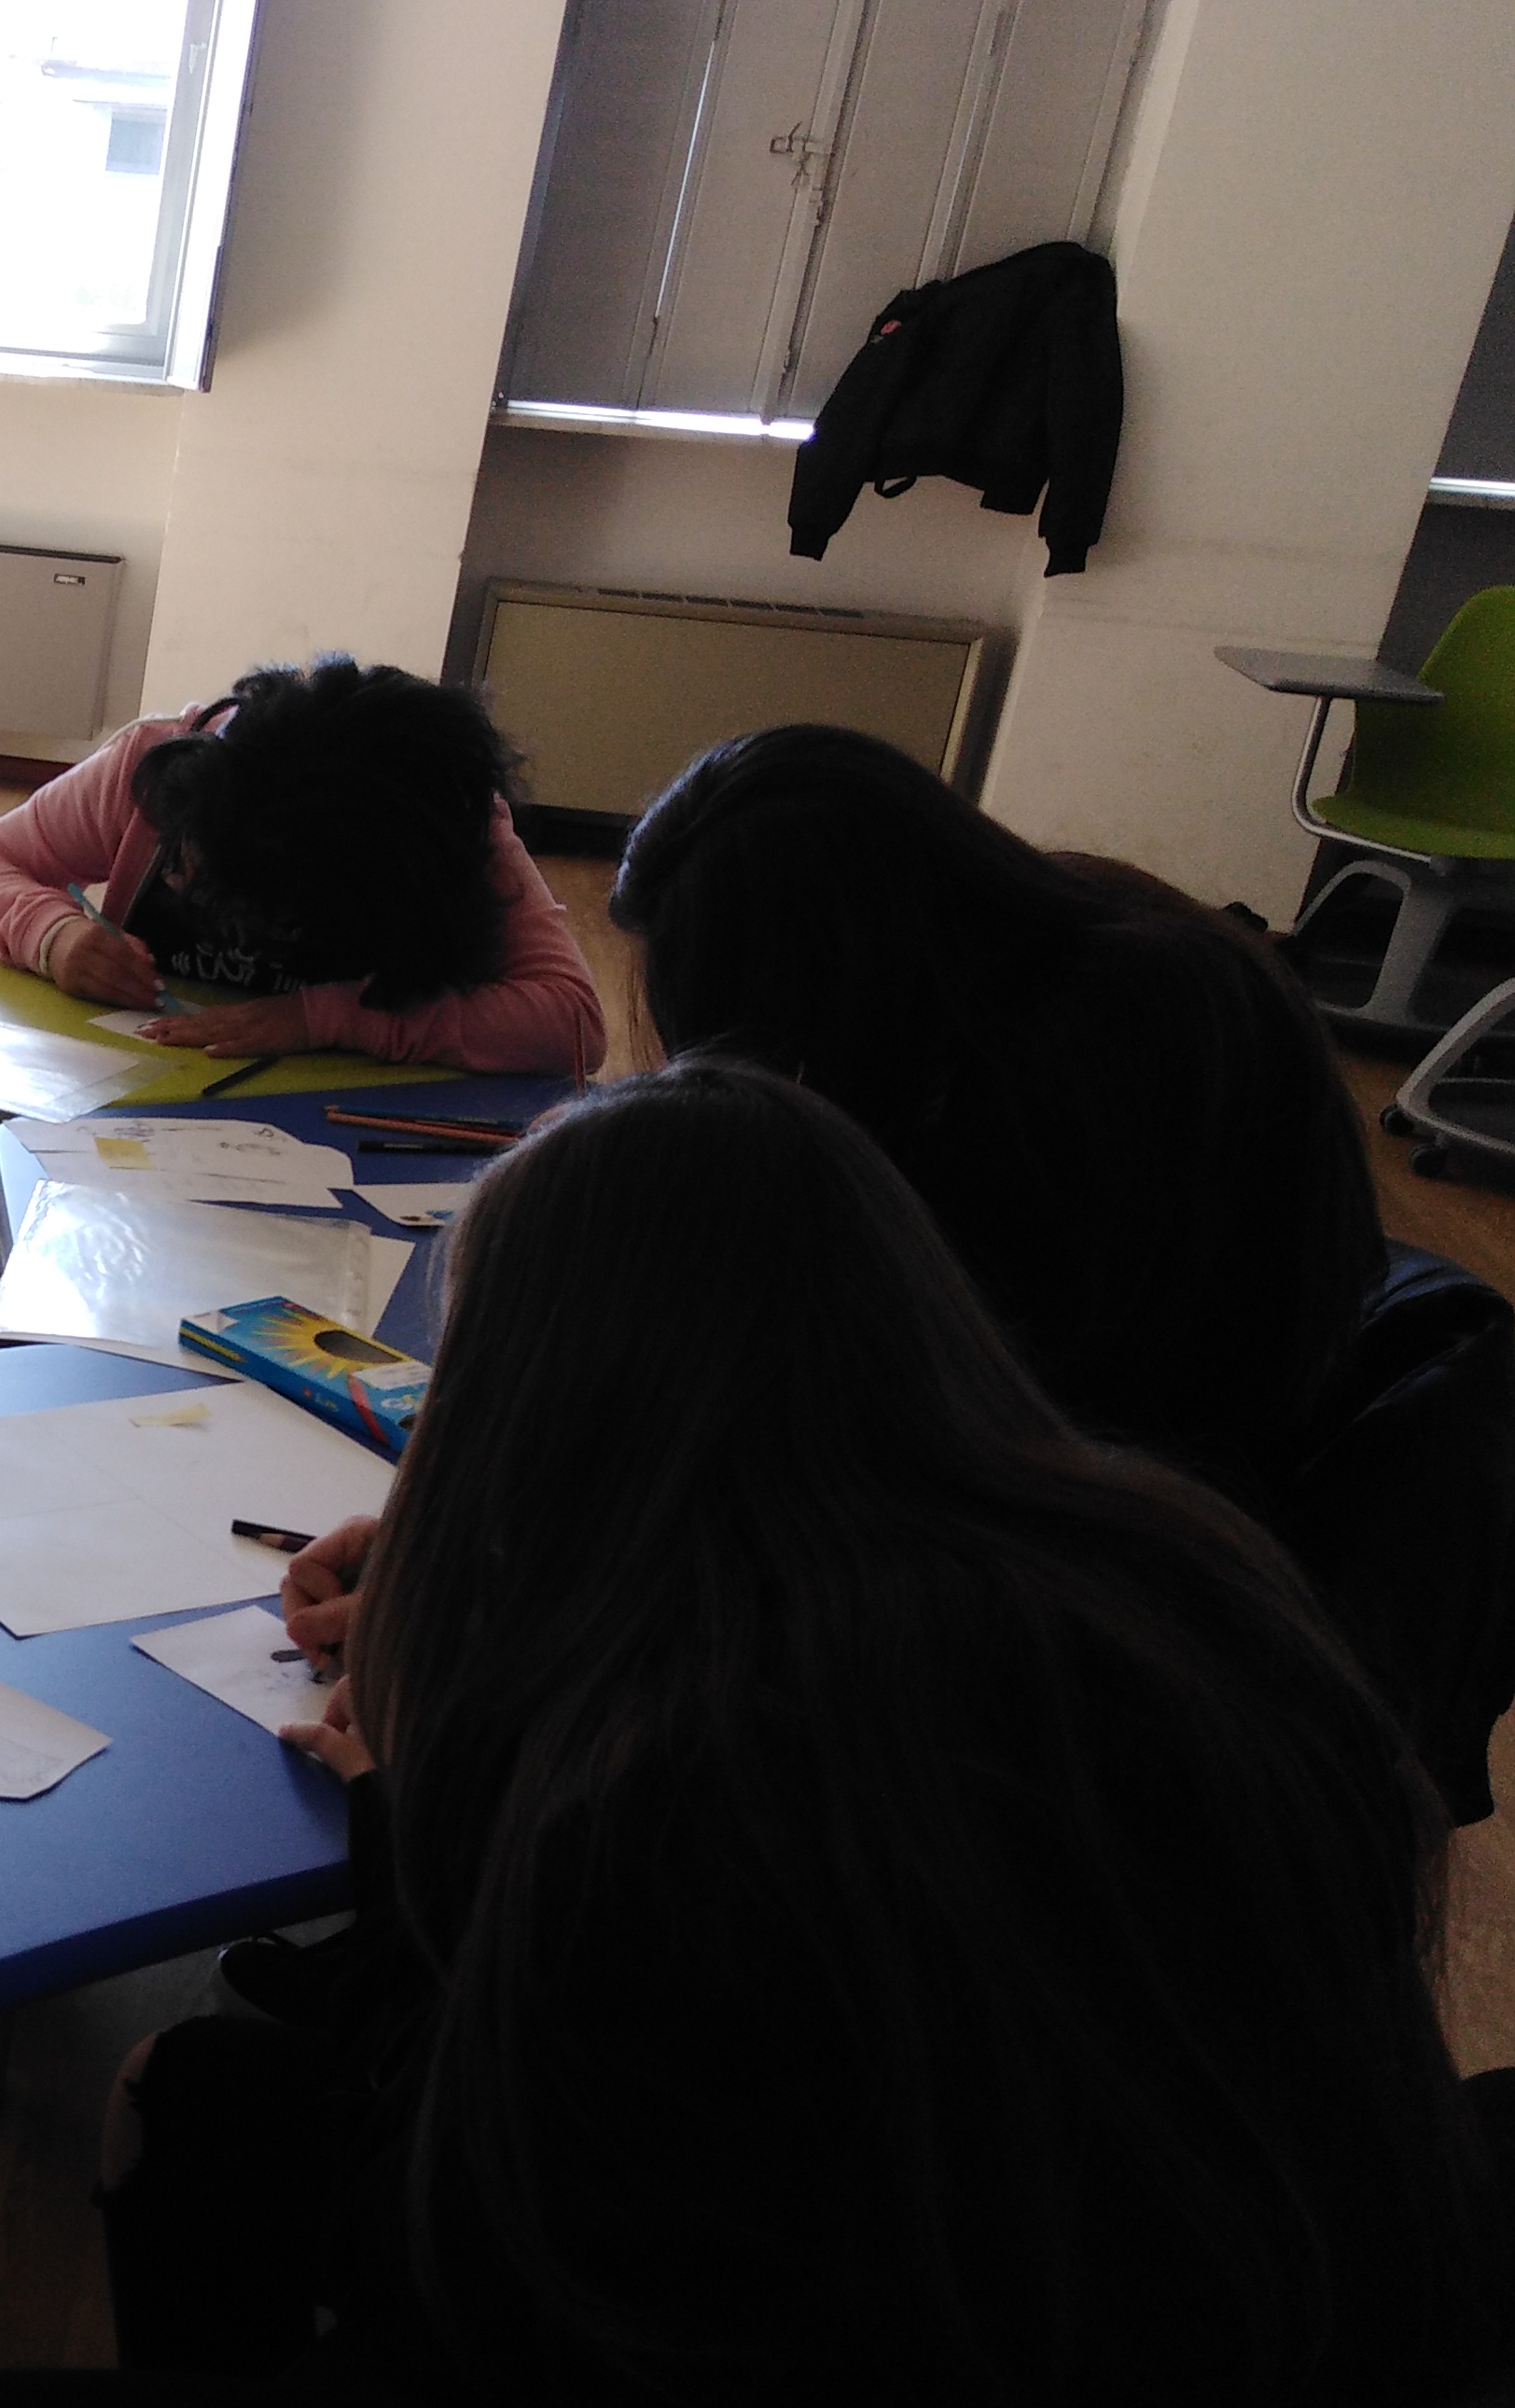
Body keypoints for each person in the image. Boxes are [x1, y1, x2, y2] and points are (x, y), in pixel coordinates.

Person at [0, 1063, 1511, 2408]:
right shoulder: (1168, 1571)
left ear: (528, 1418)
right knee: (200, 2099)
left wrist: (422, 1801)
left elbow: (463, 2277)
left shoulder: (668, 1782)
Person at [609, 722, 1515, 1819]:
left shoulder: (1071, 1075)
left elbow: (964, 1408)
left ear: (820, 972)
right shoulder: (1025, 960)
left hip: (1141, 1511)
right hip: (1148, 1438)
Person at [0, 657, 605, 1075]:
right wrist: (53, 937)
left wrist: (327, 1019)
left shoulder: (448, 825)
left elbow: (572, 1022)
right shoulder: (164, 767)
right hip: (134, 1097)